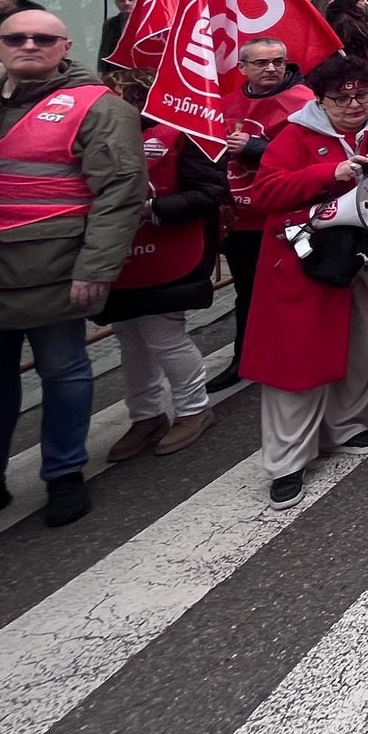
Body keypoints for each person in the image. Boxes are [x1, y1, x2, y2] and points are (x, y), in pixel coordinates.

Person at [0, 11, 145, 532]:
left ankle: (64, 473)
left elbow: (120, 195)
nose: (29, 44)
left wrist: (96, 267)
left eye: (43, 38)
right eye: (16, 38)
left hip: (55, 269)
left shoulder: (100, 107)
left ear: (65, 46)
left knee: (65, 373)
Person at [243, 54, 368, 509]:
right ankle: (287, 460)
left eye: (362, 94)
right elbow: (265, 194)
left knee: (366, 340)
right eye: (342, 98)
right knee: (299, 356)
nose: (354, 104)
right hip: (312, 261)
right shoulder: (295, 134)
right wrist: (326, 174)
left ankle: (346, 426)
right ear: (321, 99)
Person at [97, 70, 226, 462]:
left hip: (170, 251)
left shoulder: (181, 134)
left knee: (163, 336)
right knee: (129, 337)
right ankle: (146, 415)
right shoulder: (99, 137)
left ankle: (193, 409)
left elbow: (213, 193)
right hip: (120, 256)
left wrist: (152, 209)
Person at [209, 38, 313, 391]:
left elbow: (313, 154)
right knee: (247, 292)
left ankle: (297, 354)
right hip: (241, 219)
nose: (271, 68)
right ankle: (244, 358)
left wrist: (253, 148)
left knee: (295, 288)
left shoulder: (304, 103)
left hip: (289, 217)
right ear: (242, 68)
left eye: (278, 62)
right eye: (262, 63)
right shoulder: (226, 104)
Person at [96, 0, 139, 69]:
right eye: (122, 0)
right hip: (118, 72)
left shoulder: (151, 23)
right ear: (116, 3)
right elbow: (105, 50)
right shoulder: (110, 23)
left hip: (146, 72)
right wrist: (102, 70)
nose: (127, 3)